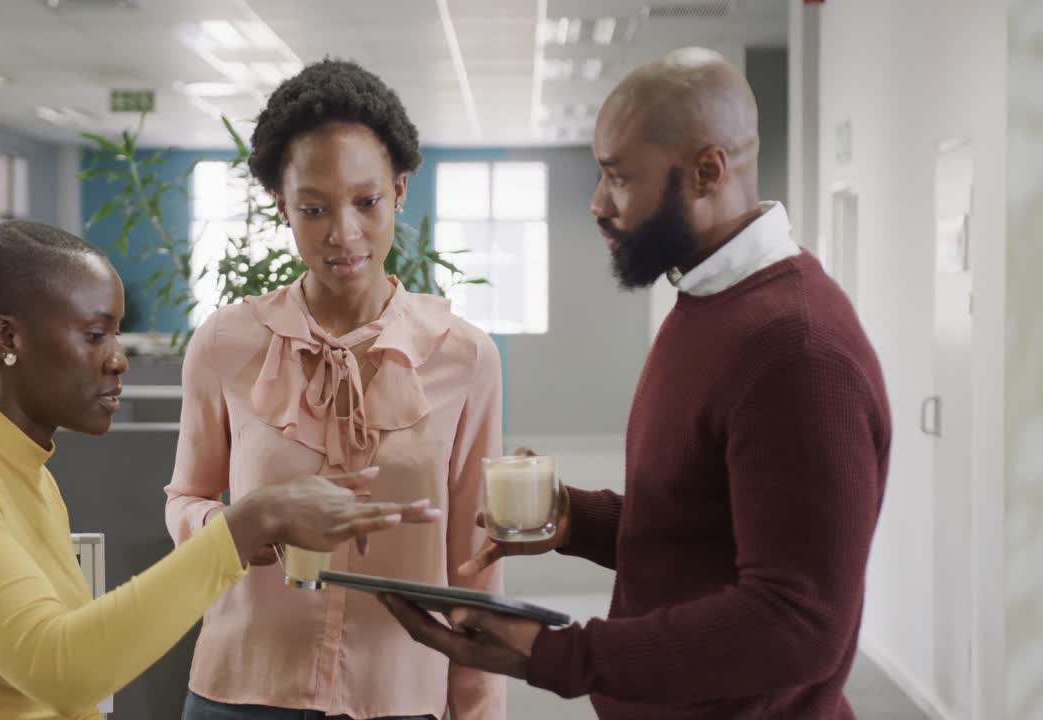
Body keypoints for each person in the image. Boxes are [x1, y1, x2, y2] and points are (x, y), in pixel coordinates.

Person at [381, 47, 893, 720]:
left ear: (708, 171)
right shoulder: (711, 302)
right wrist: (577, 519)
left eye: (619, 178)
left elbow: (795, 623)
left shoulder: (797, 351)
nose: (597, 203)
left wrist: (559, 653)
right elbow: (705, 535)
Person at [0, 220, 440, 720]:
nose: (119, 359)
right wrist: (246, 526)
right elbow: (62, 669)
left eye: (115, 333)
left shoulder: (23, 471)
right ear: (6, 337)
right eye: (94, 335)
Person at [165, 59, 505, 720]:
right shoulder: (225, 346)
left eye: (367, 202)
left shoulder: (465, 359)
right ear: (281, 205)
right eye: (314, 208)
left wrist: (479, 710)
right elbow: (186, 498)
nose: (343, 233)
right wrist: (234, 526)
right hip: (243, 688)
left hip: (400, 693)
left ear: (401, 190)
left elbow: (476, 561)